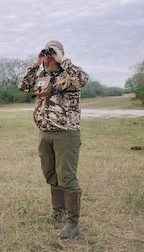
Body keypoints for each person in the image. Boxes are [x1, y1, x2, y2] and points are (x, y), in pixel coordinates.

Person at [18, 40, 89, 239]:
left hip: (66, 133)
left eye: (52, 53)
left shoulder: (71, 74)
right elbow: (23, 86)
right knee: (51, 175)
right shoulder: (41, 76)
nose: (49, 57)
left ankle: (73, 224)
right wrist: (36, 62)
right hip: (45, 133)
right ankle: (58, 213)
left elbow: (83, 79)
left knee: (66, 177)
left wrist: (62, 59)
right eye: (47, 53)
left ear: (61, 54)